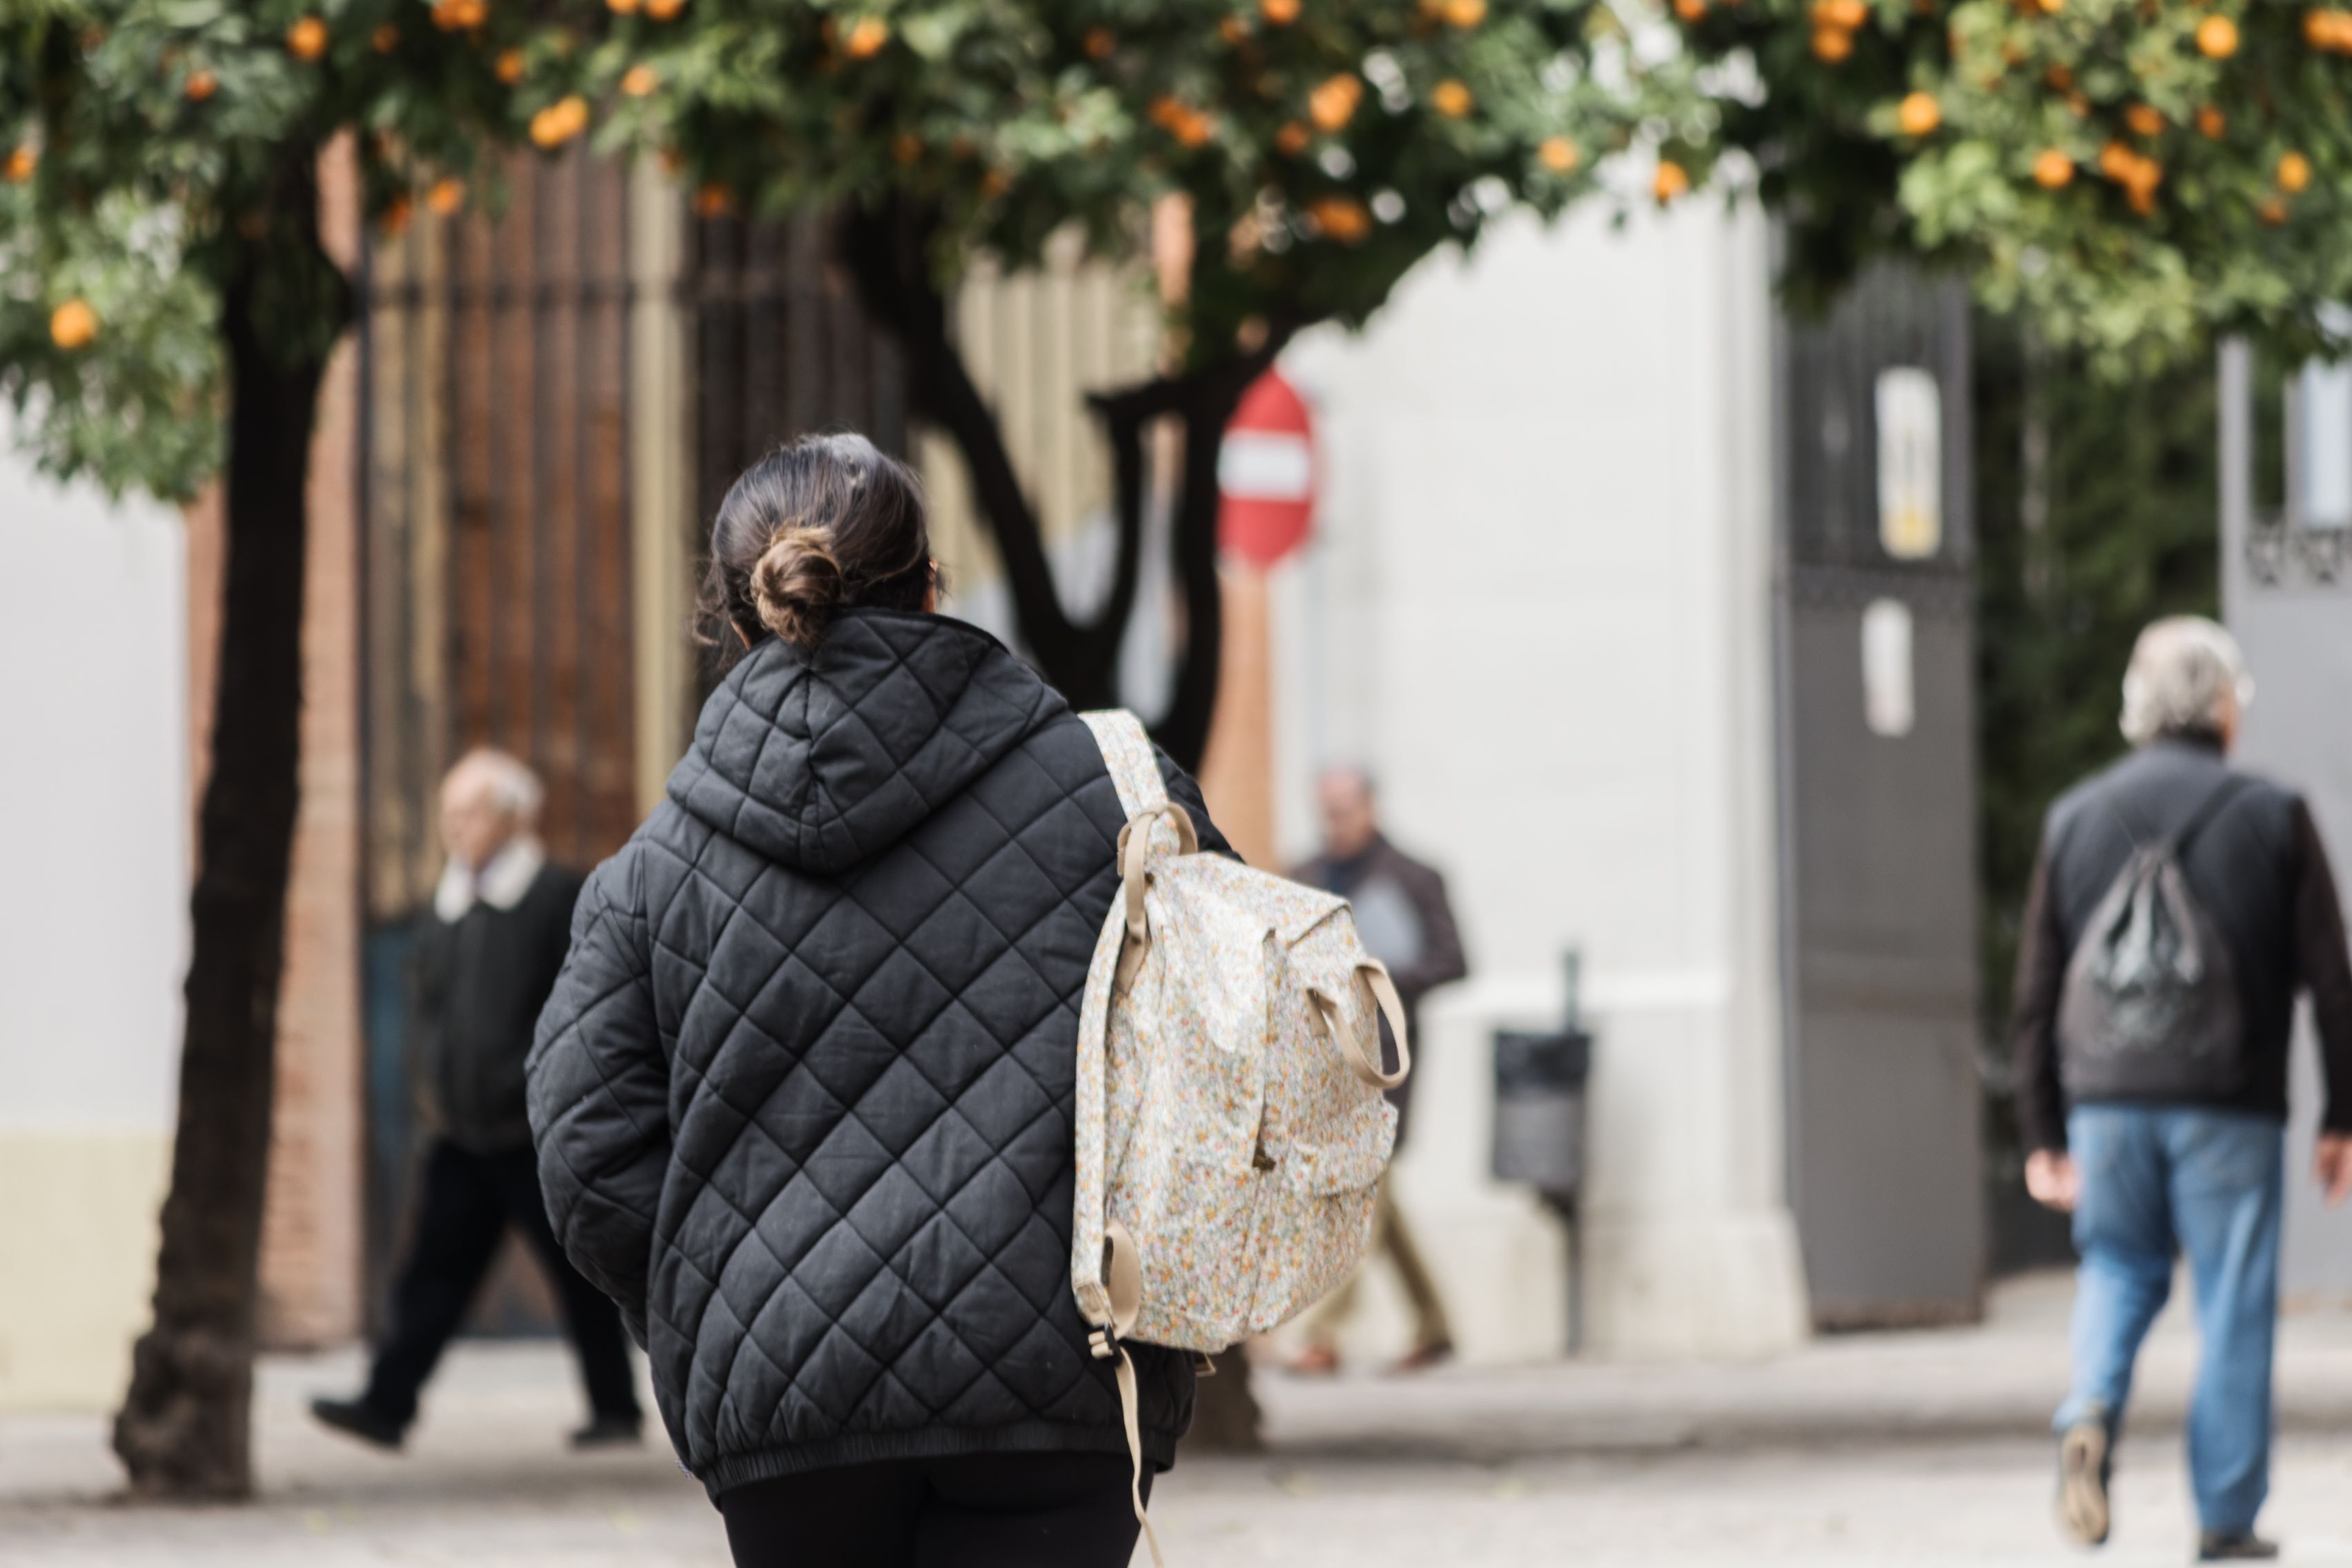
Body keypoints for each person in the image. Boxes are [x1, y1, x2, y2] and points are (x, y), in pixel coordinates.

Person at [526, 433, 1231, 1568]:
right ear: (931, 585)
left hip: (785, 1411)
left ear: (739, 619)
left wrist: (720, 1295)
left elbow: (584, 1147)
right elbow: (1228, 1049)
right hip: (1066, 1379)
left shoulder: (647, 875)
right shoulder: (1118, 796)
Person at [2012, 616, 2352, 1562]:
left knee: (2118, 1266)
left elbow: (2037, 990)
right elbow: (2334, 983)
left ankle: (2088, 1408)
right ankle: (2226, 1517)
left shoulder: (2074, 818)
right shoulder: (2274, 812)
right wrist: (2343, 1114)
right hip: (2228, 1104)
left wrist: (2043, 1129)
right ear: (2224, 708)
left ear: (2137, 708)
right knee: (2233, 1297)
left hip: (2106, 1100)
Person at [312, 750, 643, 1451]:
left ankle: (616, 1409)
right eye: (449, 813)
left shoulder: (553, 896)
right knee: (432, 1273)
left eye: (470, 812)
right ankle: (386, 1405)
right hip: (463, 1133)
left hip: (534, 1132)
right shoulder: (449, 899)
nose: (454, 826)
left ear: (514, 818)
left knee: (581, 1272)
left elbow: (579, 1005)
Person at [1286, 765, 1467, 1375]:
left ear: (1369, 807)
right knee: (1380, 1197)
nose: (1334, 822)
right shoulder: (1305, 876)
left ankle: (1324, 1333)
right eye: (1326, 811)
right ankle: (1435, 1324)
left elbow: (1453, 960)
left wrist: (1380, 979)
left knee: (1364, 1189)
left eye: (1344, 809)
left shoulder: (1413, 877)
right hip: (1326, 1059)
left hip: (1390, 1060)